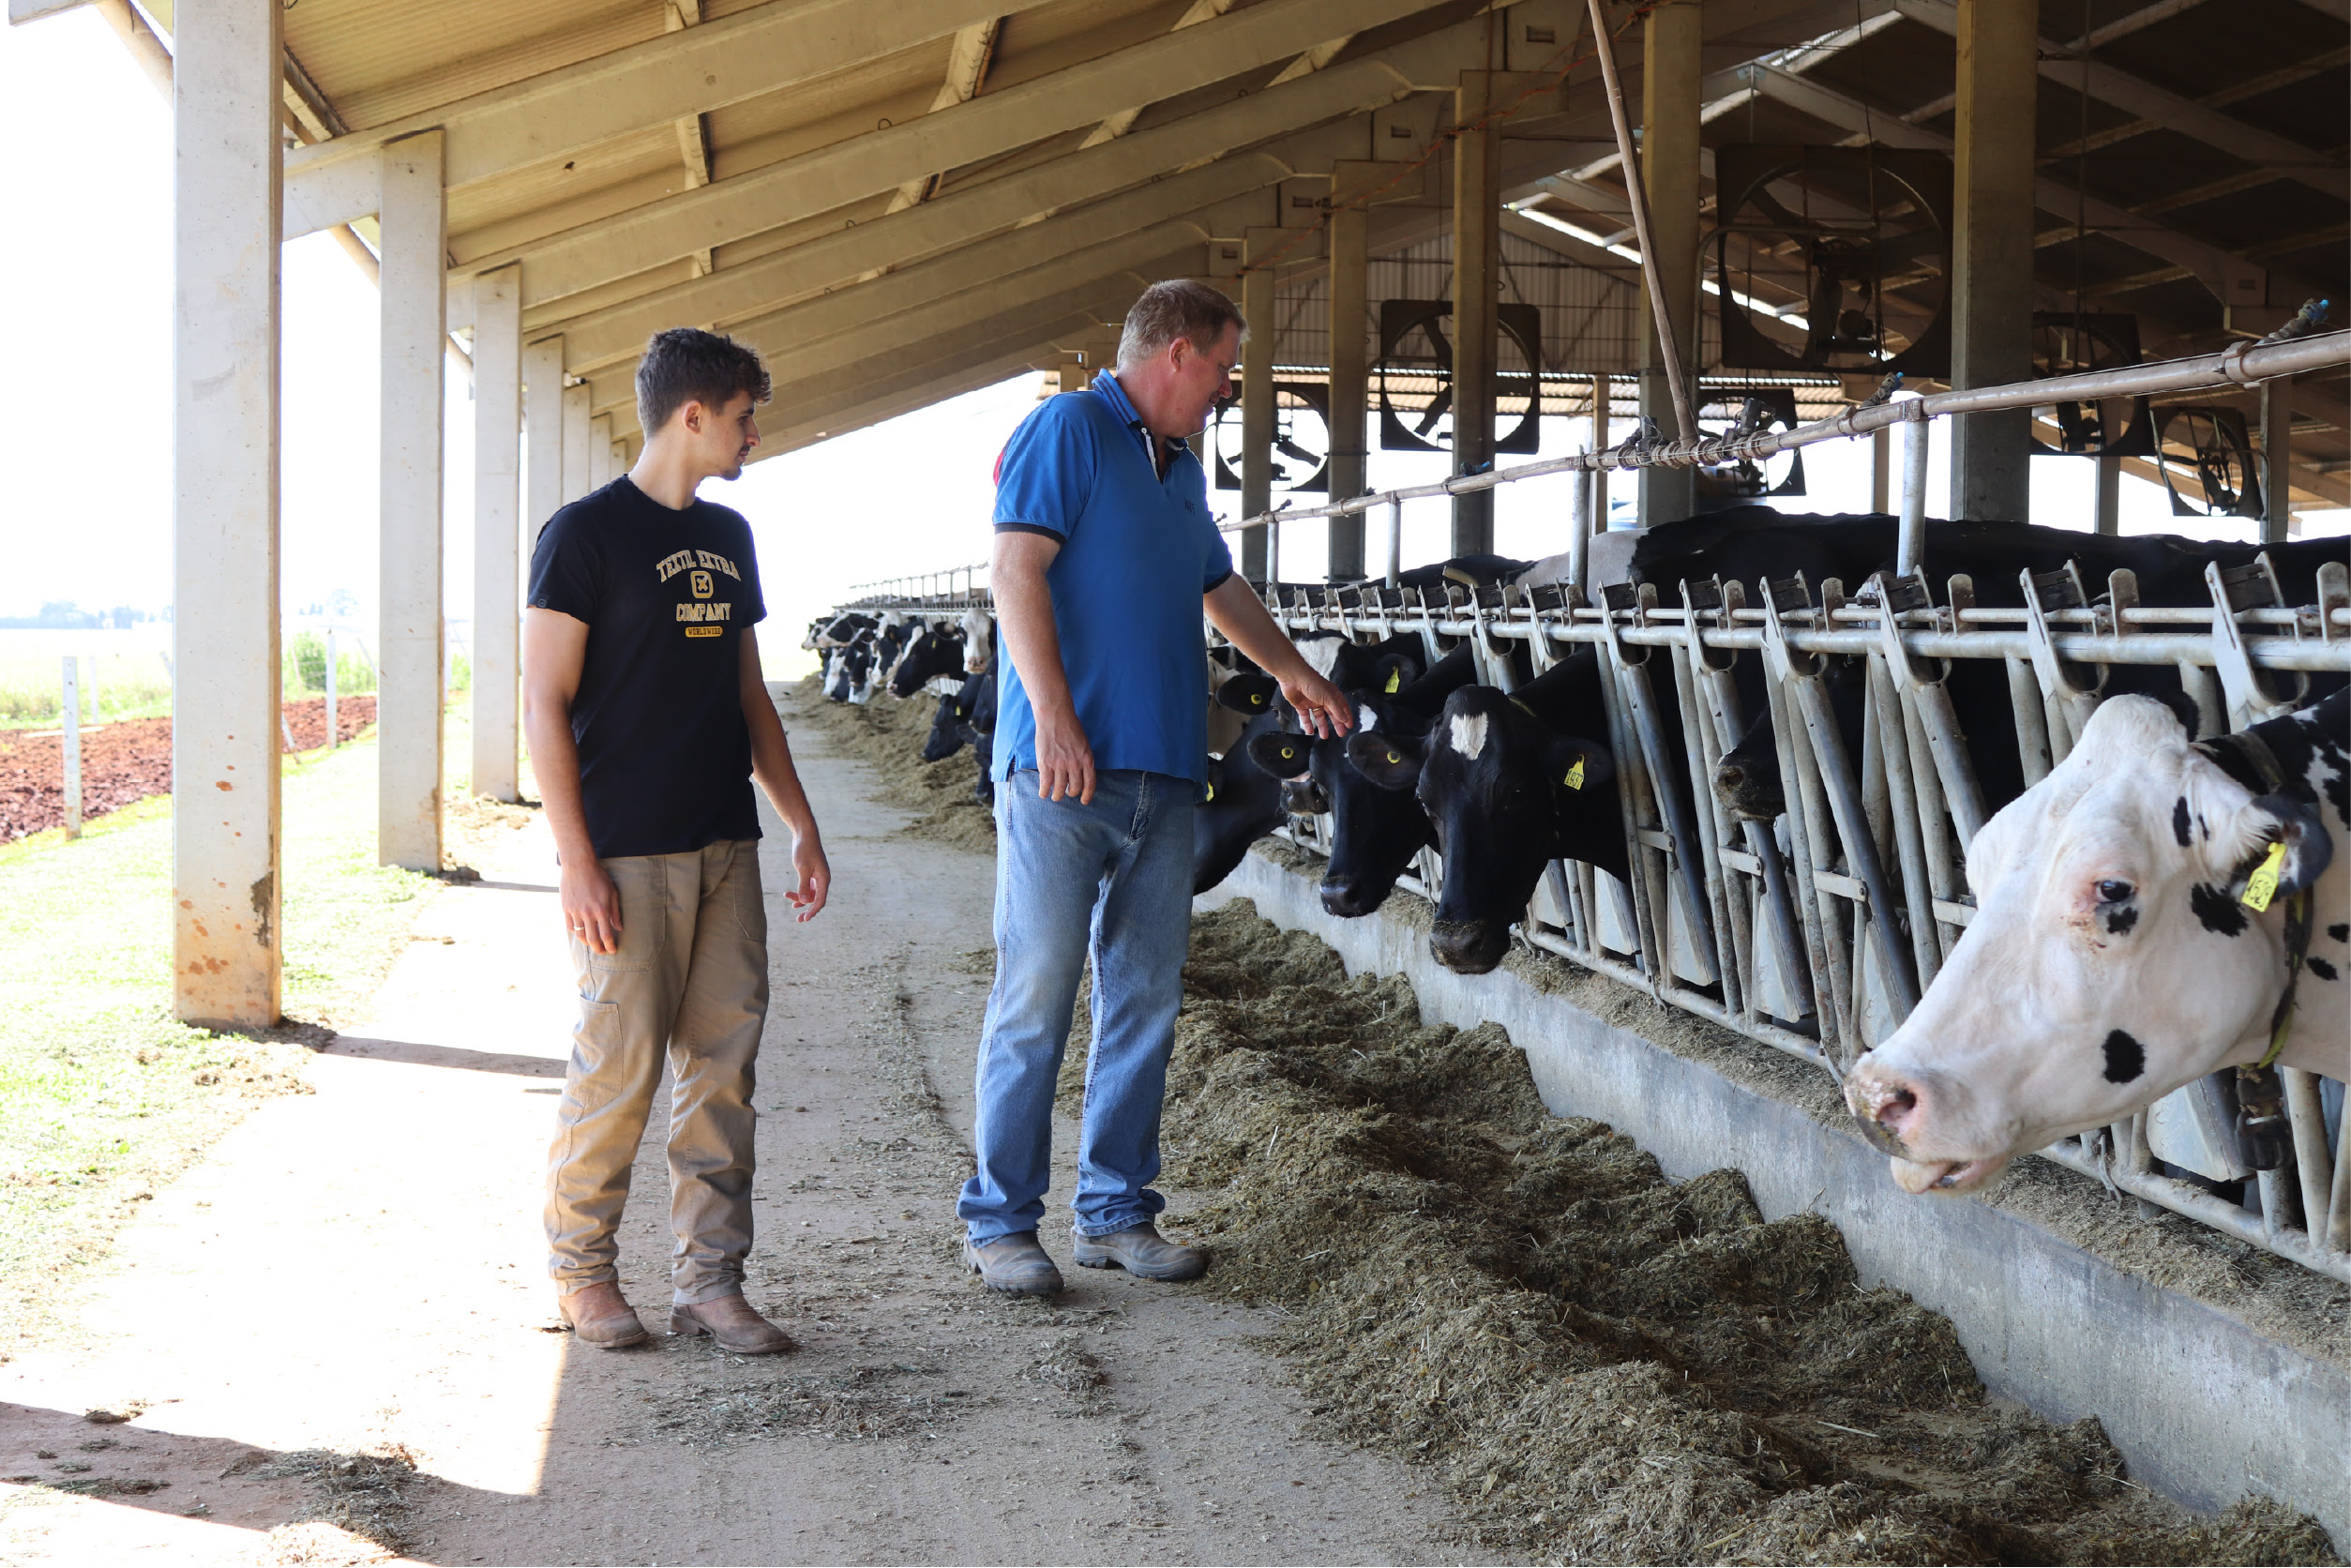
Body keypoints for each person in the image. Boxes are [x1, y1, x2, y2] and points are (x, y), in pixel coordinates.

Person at [960, 279, 1352, 1294]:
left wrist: (1292, 670)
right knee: (1037, 992)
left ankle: (1114, 1213)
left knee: (1144, 997)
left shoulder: (1178, 467)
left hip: (1166, 772)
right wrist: (1050, 714)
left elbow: (1216, 585)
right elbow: (1014, 571)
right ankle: (1001, 1223)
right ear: (1176, 352)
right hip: (1061, 774)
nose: (1227, 388)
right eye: (1224, 367)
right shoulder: (1070, 428)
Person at [523, 327, 831, 1352]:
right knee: (618, 1068)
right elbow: (541, 702)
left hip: (722, 845)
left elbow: (747, 692)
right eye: (745, 414)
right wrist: (575, 860)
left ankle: (710, 1282)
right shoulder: (582, 536)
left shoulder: (731, 536)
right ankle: (583, 1272)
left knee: (723, 1069)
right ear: (692, 414)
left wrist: (799, 822)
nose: (754, 431)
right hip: (625, 852)